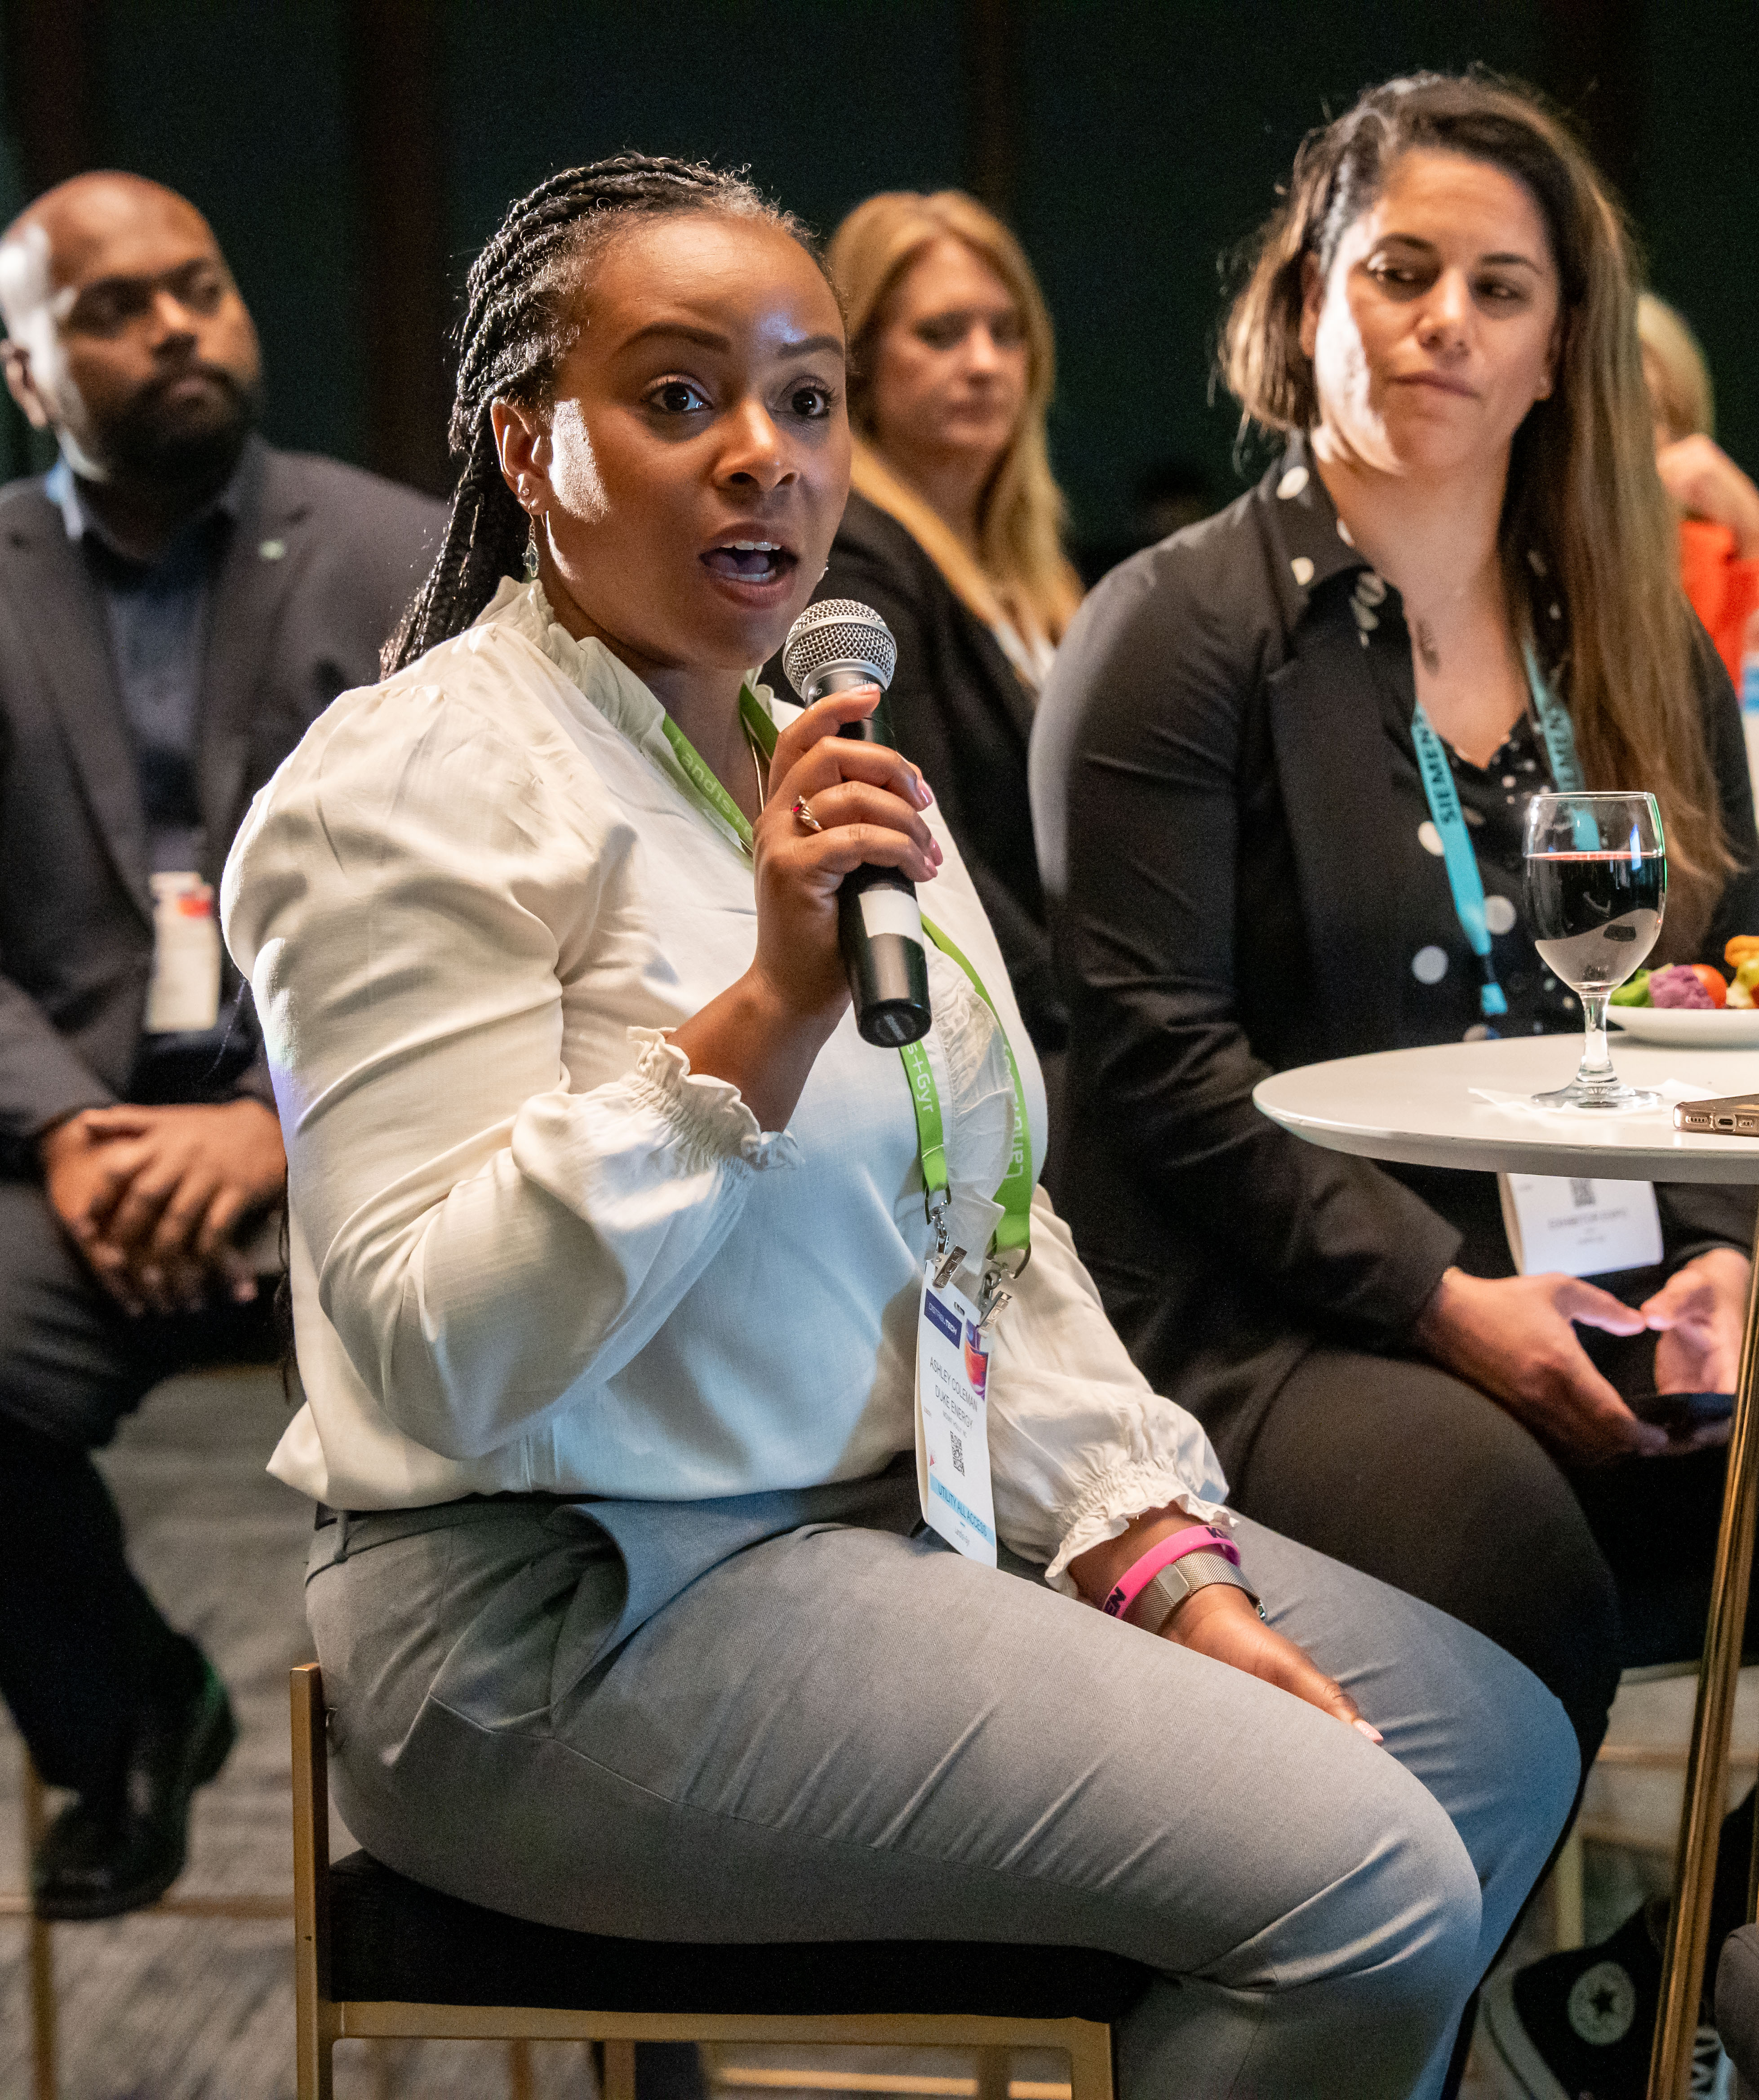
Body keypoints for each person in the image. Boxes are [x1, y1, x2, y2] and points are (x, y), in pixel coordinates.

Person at [223, 153, 1577, 2100]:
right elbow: (444, 1353)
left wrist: (1150, 1554)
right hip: (559, 1612)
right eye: (678, 397)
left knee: (1492, 1747)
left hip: (879, 1526)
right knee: (1363, 1878)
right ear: (526, 447)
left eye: (805, 397)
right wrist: (757, 1018)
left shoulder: (819, 766)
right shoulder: (401, 795)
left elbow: (987, 1233)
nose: (762, 455)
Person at [1029, 74, 1759, 2098]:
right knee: (1514, 1551)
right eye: (1398, 271)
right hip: (1273, 1321)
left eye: (1495, 287)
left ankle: (1644, 2000)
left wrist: (1719, 1258)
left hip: (1610, 1287)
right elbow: (1159, 1072)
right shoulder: (1174, 634)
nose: (1441, 320)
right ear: (1305, 306)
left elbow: (1734, 993)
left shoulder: (1635, 641)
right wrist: (1447, 1306)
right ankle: (1402, 2040)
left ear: (1557, 349)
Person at [0, 171, 438, 1920]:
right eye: (111, 308)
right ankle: (127, 1713)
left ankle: (549, 1852)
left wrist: (273, 1118)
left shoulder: (404, 557)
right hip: (58, 1147)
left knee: (546, 1363)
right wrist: (74, 1131)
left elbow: (468, 901)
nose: (176, 324)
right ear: (27, 375)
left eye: (201, 284)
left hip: (349, 1132)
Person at [787, 188, 1084, 1065]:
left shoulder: (1037, 571)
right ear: (864, 360)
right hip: (1000, 1034)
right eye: (943, 333)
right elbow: (928, 835)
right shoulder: (857, 558)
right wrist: (1090, 1018)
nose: (985, 362)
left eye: (1007, 331)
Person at [1636, 291, 1759, 681]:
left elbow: (1756, 716)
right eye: (1611, 413)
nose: (1628, 438)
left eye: (1651, 414)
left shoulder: (1707, 560)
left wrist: (1753, 536)